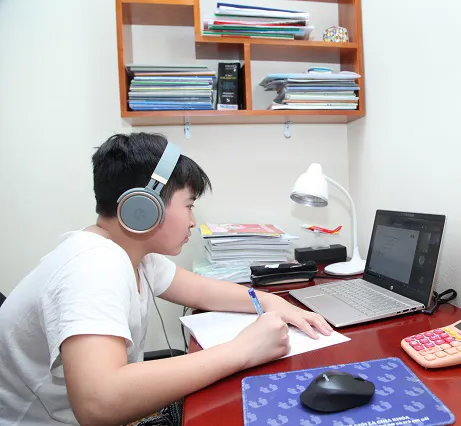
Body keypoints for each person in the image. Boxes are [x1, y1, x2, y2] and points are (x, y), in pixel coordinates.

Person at [0, 132, 332, 426]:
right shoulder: (93, 265)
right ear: (143, 207)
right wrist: (243, 350)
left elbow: (204, 292)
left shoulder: (133, 255)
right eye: (189, 205)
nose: (192, 221)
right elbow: (98, 404)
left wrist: (272, 302)